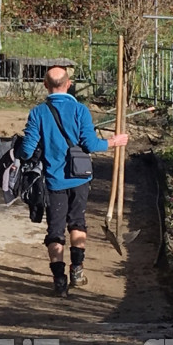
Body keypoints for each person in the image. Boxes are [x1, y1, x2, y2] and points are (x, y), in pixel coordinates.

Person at [20, 66, 129, 297]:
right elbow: (90, 145)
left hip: (53, 181)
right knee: (77, 222)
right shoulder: (80, 110)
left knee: (55, 230)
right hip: (80, 178)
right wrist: (113, 142)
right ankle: (77, 271)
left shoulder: (38, 113)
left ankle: (59, 280)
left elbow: (27, 151)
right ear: (69, 84)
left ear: (45, 84)